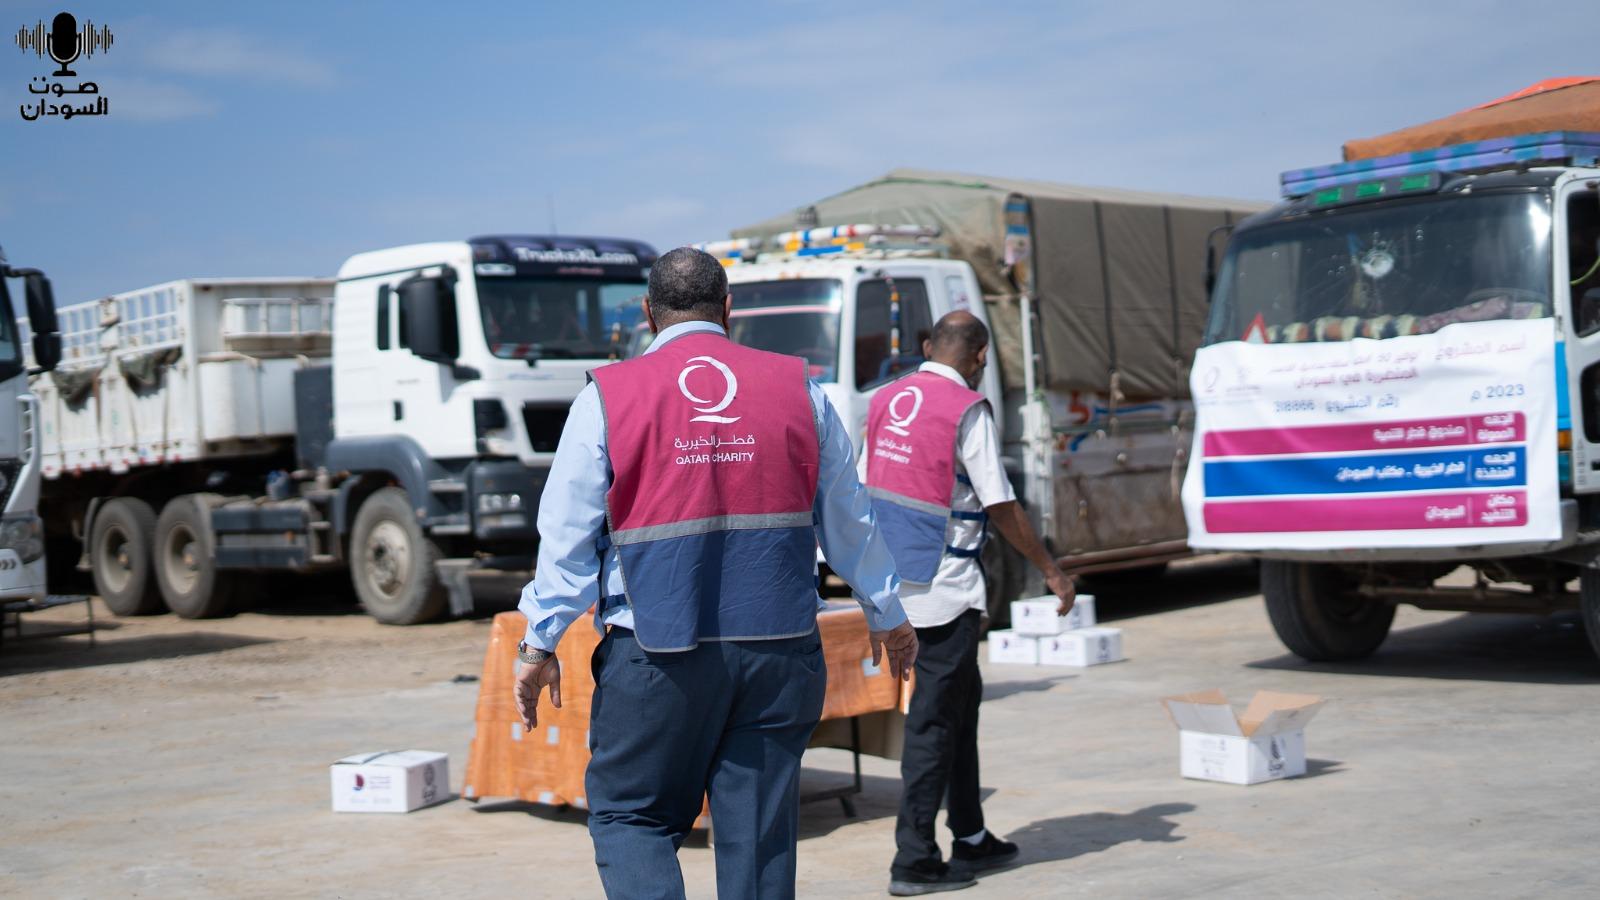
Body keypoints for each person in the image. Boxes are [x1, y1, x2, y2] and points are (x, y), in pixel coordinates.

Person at [513, 247, 919, 900]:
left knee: (632, 816)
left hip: (658, 652)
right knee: (758, 837)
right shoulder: (799, 388)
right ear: (729, 309)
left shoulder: (607, 398)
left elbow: (566, 537)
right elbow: (851, 519)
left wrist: (540, 642)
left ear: (648, 314)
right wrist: (887, 612)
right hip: (779, 648)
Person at [862, 310, 1076, 896]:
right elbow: (1000, 503)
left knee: (961, 709)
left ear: (928, 345)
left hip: (895, 586)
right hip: (945, 590)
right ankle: (914, 860)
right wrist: (1051, 570)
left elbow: (861, 487)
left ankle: (972, 834)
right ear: (980, 357)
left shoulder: (885, 400)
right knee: (933, 724)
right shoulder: (965, 410)